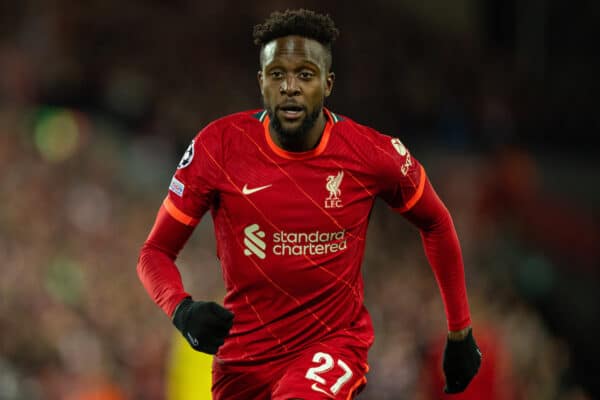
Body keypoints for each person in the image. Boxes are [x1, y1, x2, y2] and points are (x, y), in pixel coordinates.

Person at [137, 8, 481, 399]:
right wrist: (181, 311)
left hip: (333, 346)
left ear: (328, 83)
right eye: (277, 74)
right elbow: (154, 251)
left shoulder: (371, 154)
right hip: (244, 361)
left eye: (305, 74)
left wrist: (460, 331)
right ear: (261, 82)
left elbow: (436, 221)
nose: (290, 87)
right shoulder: (218, 148)